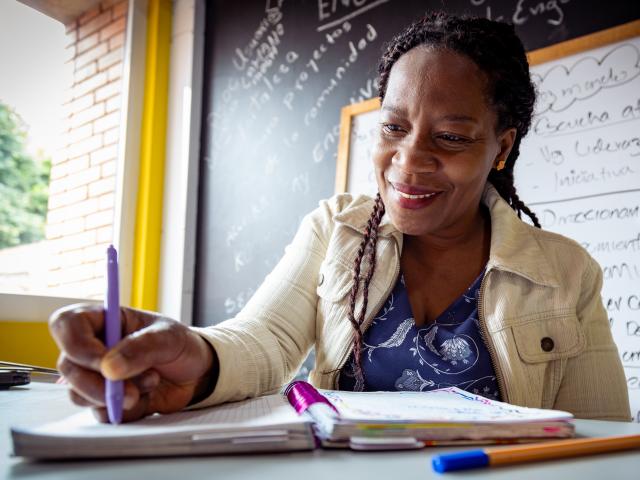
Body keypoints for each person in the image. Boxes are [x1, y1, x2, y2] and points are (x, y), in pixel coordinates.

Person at [49, 12, 631, 423]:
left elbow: (604, 435)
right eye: (395, 128)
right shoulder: (336, 228)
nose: (409, 162)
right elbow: (264, 339)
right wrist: (195, 359)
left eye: (451, 137)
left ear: (501, 148)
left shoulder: (565, 270)